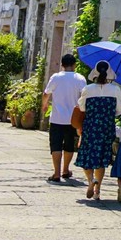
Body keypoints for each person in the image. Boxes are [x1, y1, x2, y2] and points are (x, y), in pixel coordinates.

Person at [72, 61, 121, 201]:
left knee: (87, 156)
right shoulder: (115, 90)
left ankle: (90, 181)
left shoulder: (88, 89)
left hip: (90, 127)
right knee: (101, 158)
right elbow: (120, 109)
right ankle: (97, 191)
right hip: (106, 128)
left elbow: (82, 108)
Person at [42, 53, 85, 182]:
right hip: (73, 119)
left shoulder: (56, 77)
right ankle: (65, 169)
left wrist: (44, 106)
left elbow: (46, 93)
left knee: (55, 145)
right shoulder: (80, 78)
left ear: (62, 65)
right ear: (74, 65)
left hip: (56, 118)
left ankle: (56, 173)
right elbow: (84, 97)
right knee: (69, 145)